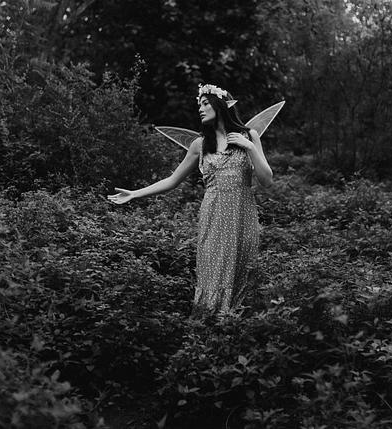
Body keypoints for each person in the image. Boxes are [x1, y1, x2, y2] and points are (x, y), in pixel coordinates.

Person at [108, 84, 274, 313]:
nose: (201, 109)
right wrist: (135, 193)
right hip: (214, 216)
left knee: (243, 269)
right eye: (199, 106)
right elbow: (172, 180)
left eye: (205, 104)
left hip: (243, 216)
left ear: (221, 105)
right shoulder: (200, 144)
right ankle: (210, 322)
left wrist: (249, 148)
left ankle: (236, 325)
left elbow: (267, 180)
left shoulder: (249, 136)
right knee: (213, 269)